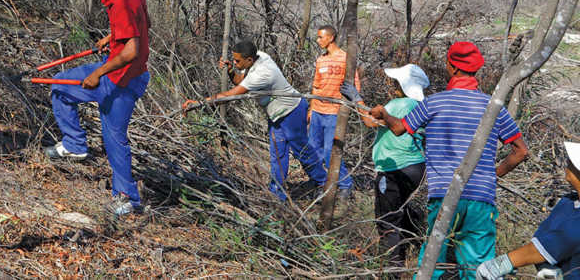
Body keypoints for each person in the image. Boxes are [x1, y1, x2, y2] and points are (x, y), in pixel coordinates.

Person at [368, 42, 529, 279]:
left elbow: (400, 128)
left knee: (432, 264)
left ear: (452, 68)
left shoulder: (434, 103)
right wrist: (492, 175)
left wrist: (384, 114)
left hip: (444, 194)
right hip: (481, 198)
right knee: (478, 269)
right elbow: (521, 151)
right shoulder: (494, 107)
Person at [45, 0, 150, 217]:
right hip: (126, 75)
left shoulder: (124, 1)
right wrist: (112, 38)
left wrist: (98, 73)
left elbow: (131, 51)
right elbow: (143, 25)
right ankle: (75, 145)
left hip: (120, 80)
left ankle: (125, 197)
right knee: (61, 84)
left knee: (113, 137)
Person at [183, 40, 330, 202]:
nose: (234, 62)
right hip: (276, 115)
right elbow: (241, 81)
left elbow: (231, 95)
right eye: (234, 59)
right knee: (277, 154)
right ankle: (277, 195)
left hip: (292, 111)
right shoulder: (259, 58)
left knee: (301, 150)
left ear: (250, 60)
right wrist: (232, 71)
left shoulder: (263, 73)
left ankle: (323, 183)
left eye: (237, 60)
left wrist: (199, 103)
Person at [342, 64, 429, 264]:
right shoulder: (421, 105)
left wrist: (357, 99)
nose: (392, 85)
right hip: (417, 168)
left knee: (388, 221)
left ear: (404, 86)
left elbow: (371, 122)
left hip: (394, 170)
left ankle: (392, 269)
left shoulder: (401, 104)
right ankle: (414, 260)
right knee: (408, 216)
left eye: (396, 82)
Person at [476, 141, 580, 280]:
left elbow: (555, 243)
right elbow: (544, 240)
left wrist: (504, 263)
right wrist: (544, 265)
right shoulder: (569, 202)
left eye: (572, 161)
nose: (568, 162)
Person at [308, 25, 358, 195]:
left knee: (331, 152)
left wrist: (346, 107)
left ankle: (344, 185)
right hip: (317, 111)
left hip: (334, 112)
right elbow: (316, 86)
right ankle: (320, 184)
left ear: (331, 38)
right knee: (314, 149)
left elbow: (354, 86)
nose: (318, 40)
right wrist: (311, 109)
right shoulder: (320, 60)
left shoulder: (345, 58)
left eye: (321, 37)